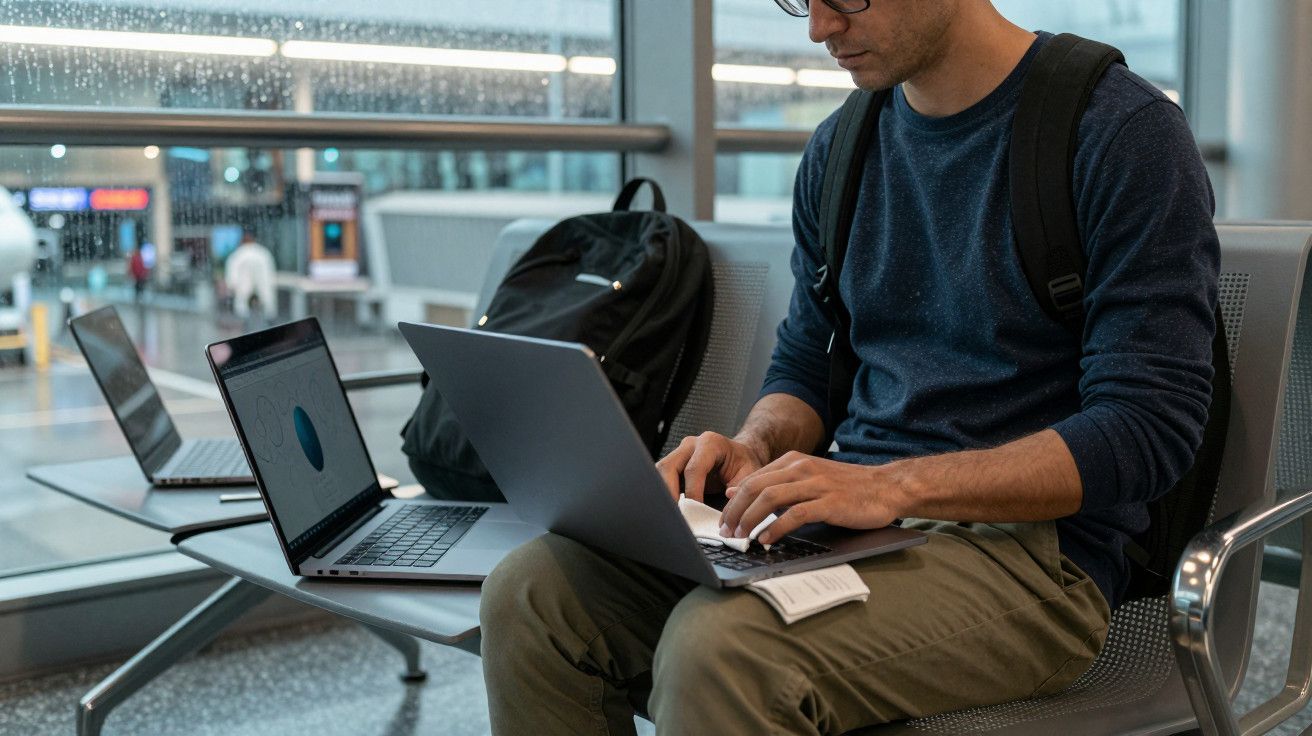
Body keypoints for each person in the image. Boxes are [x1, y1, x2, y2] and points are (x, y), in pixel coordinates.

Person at [478, 1, 1219, 733]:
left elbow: (1147, 429)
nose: (819, 28)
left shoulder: (1118, 133)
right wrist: (755, 447)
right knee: (534, 592)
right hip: (847, 524)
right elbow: (809, 359)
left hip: (1030, 556)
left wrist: (890, 485)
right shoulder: (842, 149)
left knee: (725, 651)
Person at [223, 230, 277, 328]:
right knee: (267, 299)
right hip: (262, 282)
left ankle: (245, 323)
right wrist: (270, 283)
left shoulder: (238, 254)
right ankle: (270, 321)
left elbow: (232, 271)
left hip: (244, 283)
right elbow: (270, 271)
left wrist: (232, 285)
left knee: (242, 302)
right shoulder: (263, 252)